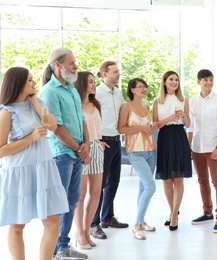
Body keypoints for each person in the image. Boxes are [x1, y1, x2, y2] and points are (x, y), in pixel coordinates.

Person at [0, 67, 69, 260]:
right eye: (29, 80)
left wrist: (34, 101)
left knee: (53, 222)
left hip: (44, 168)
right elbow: (0, 151)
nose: (34, 82)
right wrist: (31, 137)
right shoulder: (6, 112)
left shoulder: (38, 103)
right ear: (18, 83)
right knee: (17, 225)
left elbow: (52, 125)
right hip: (19, 171)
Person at [40, 47, 90, 260]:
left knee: (71, 201)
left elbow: (82, 120)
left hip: (76, 154)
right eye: (71, 63)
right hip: (62, 154)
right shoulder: (50, 92)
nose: (76, 66)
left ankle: (62, 246)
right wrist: (79, 149)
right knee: (59, 204)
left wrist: (86, 143)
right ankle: (53, 250)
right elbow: (57, 128)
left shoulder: (71, 89)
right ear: (58, 66)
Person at [187, 69, 217, 233]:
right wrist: (189, 147)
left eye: (211, 79)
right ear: (199, 82)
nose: (209, 82)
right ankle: (207, 213)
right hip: (197, 147)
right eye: (205, 80)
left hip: (214, 148)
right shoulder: (193, 101)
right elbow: (190, 126)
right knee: (202, 181)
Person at [90, 61, 127, 240]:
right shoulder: (96, 93)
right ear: (104, 74)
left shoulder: (118, 93)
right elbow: (89, 116)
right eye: (115, 72)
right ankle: (94, 223)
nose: (118, 74)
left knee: (113, 181)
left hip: (117, 141)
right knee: (99, 185)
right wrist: (96, 139)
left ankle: (108, 217)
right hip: (103, 142)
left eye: (118, 71)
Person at [152, 71, 192, 231]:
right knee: (167, 180)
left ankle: (174, 215)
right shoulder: (157, 101)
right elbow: (155, 124)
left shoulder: (184, 100)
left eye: (176, 79)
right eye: (171, 79)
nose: (174, 82)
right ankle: (172, 211)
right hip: (165, 137)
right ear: (164, 82)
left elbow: (188, 123)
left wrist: (183, 116)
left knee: (179, 179)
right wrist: (168, 118)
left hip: (179, 136)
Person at [118, 78, 156, 240]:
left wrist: (151, 128)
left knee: (143, 187)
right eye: (140, 87)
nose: (144, 89)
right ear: (132, 90)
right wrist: (142, 127)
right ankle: (137, 224)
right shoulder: (126, 107)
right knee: (150, 186)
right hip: (135, 152)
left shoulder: (147, 107)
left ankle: (142, 220)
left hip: (150, 151)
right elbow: (121, 129)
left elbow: (150, 128)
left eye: (145, 87)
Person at [73, 72, 104, 249]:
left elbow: (96, 128)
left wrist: (99, 142)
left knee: (96, 192)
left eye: (94, 81)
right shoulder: (75, 105)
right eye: (91, 82)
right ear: (83, 83)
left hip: (97, 148)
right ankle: (79, 232)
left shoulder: (96, 104)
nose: (94, 85)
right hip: (82, 149)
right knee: (81, 194)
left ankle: (86, 229)